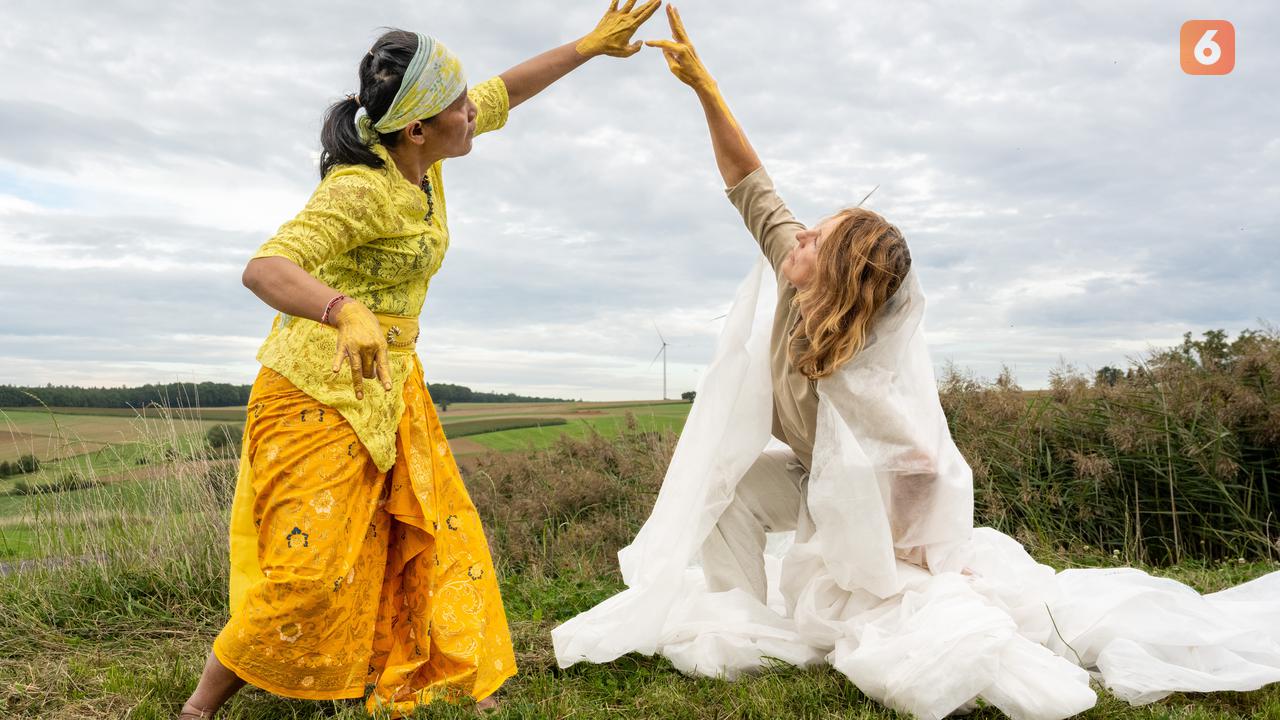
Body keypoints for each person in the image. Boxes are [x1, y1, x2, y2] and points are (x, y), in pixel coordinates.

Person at [553, 8, 1280, 720]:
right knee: (728, 478)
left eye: (817, 236)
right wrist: (707, 91)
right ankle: (742, 619)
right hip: (812, 478)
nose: (798, 233)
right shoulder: (789, 272)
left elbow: (924, 464)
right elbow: (751, 183)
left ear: (834, 270)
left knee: (911, 605)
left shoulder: (863, 367)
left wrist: (917, 560)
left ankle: (857, 599)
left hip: (862, 507)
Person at [179, 4, 662, 718]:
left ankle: (439, 670)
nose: (474, 113)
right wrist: (343, 309)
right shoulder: (360, 189)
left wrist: (589, 47)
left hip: (392, 385)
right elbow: (265, 267)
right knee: (308, 572)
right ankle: (199, 706)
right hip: (314, 391)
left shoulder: (424, 163)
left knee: (431, 535)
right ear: (417, 127)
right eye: (458, 106)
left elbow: (506, 92)